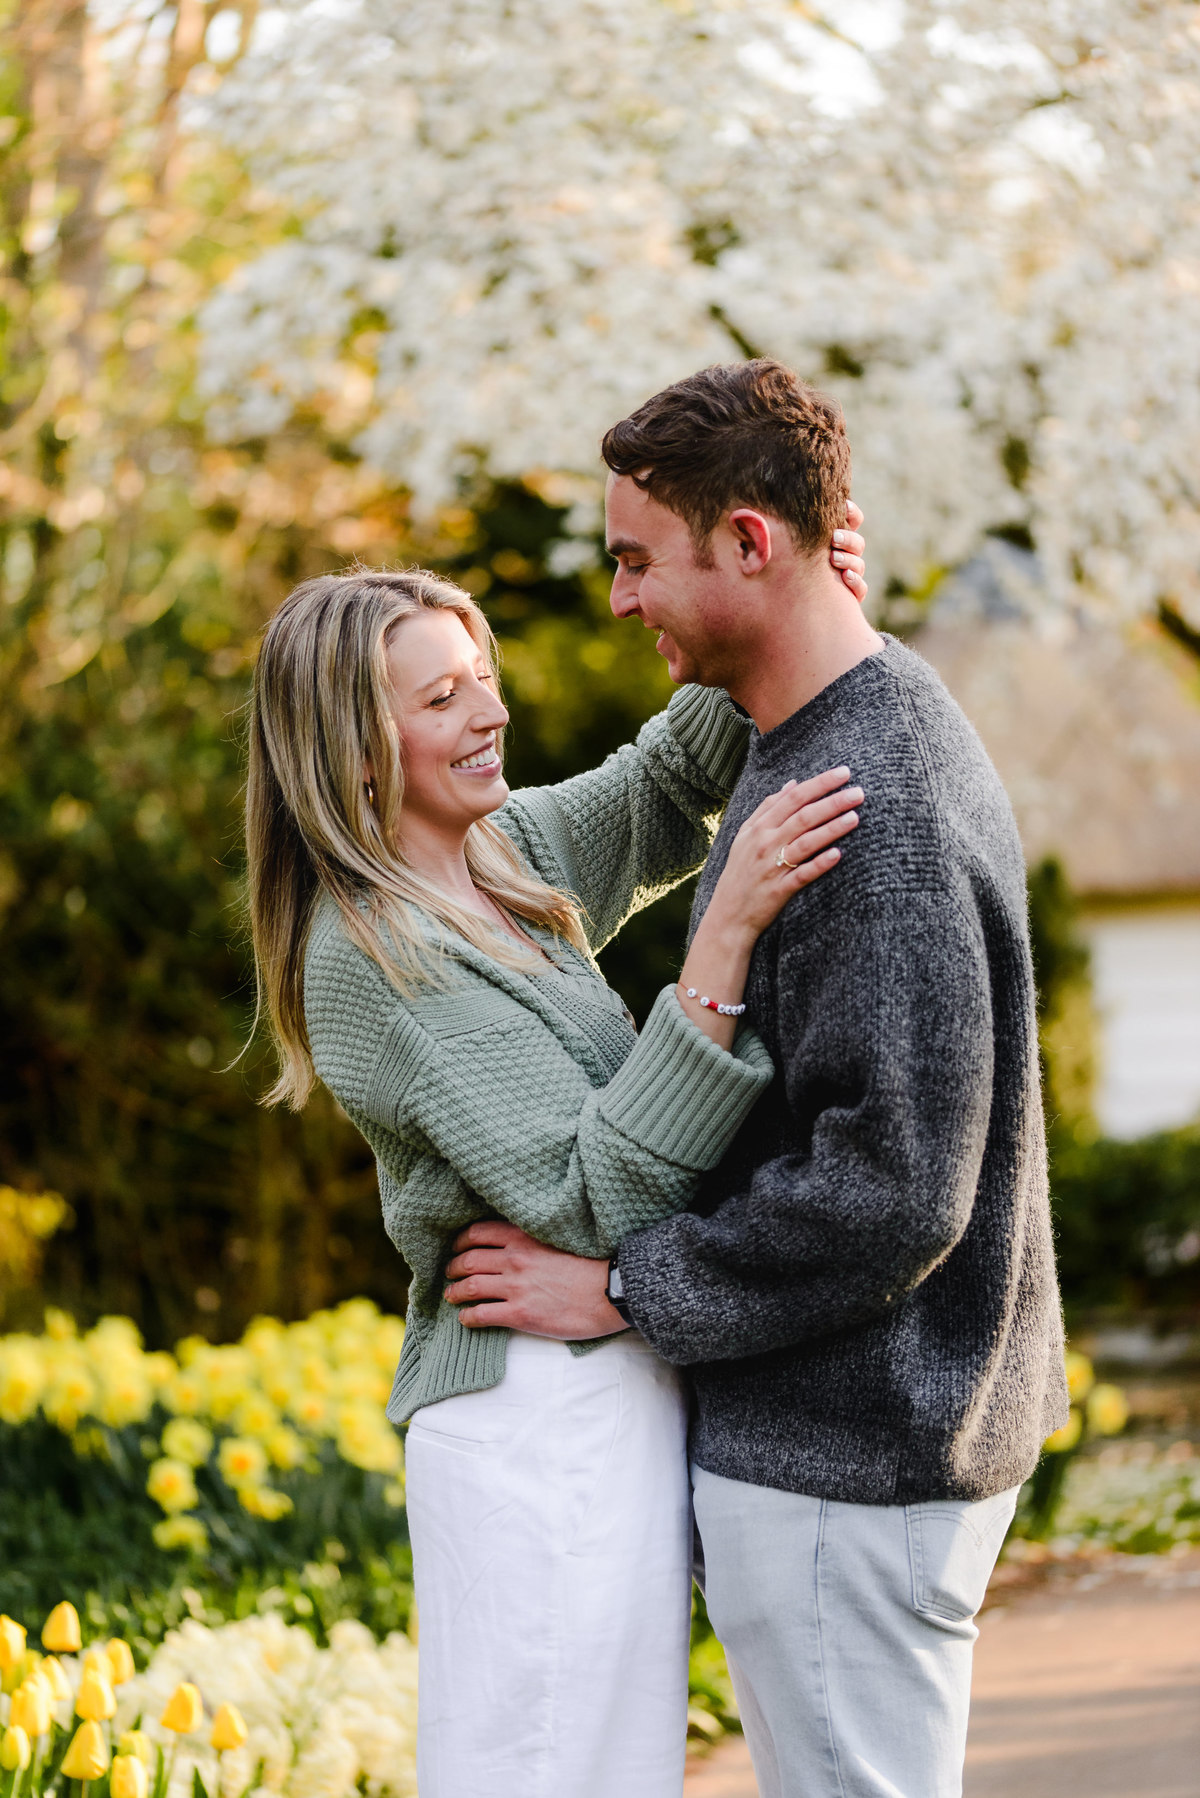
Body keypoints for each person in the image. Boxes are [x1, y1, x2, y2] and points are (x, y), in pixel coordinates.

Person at [444, 360, 1069, 1798]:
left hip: (854, 1462)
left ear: (749, 543)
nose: (618, 598)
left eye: (635, 559)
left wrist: (624, 1289)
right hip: (852, 1450)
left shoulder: (874, 798)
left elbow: (893, 1187)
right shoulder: (834, 734)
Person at [243, 532, 867, 1797]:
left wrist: (801, 586)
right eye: (443, 696)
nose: (494, 708)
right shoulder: (368, 956)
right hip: (527, 1414)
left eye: (482, 674)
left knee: (616, 1768)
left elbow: (658, 787)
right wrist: (725, 934)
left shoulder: (497, 856)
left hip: (606, 1387)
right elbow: (593, 1194)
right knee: (536, 1770)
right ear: (356, 750)